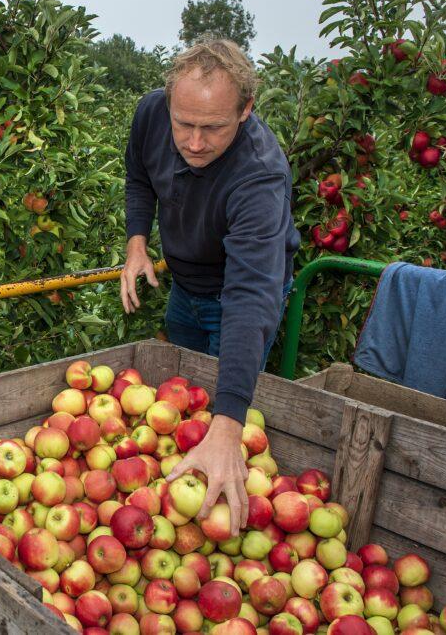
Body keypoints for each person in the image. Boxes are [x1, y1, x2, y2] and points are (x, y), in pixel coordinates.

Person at [119, 39, 301, 536]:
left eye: (213, 127)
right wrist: (138, 242)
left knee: (221, 416)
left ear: (246, 110)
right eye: (185, 124)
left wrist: (229, 422)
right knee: (179, 411)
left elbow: (250, 297)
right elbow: (139, 177)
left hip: (235, 299)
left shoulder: (259, 177)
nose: (195, 143)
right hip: (185, 287)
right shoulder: (152, 114)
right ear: (169, 102)